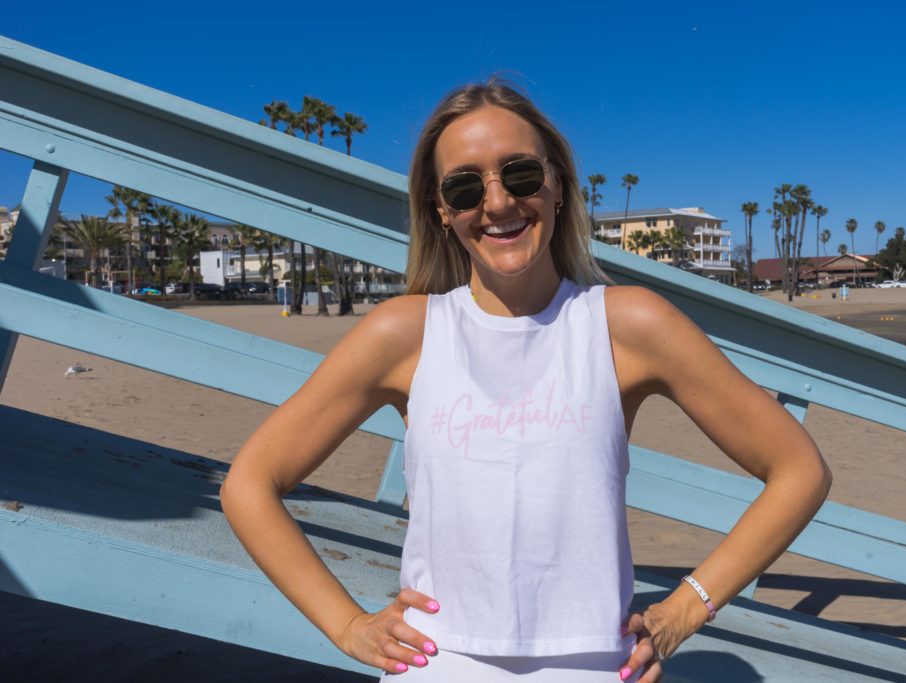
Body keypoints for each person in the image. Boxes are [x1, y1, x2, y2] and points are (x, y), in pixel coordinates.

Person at [221, 78, 832, 682]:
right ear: (441, 210)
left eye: (519, 174)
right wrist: (347, 625)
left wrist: (685, 607)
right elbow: (249, 485)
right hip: (437, 664)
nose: (498, 203)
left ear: (557, 184)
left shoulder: (628, 324)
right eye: (465, 186)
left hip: (594, 665)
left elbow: (799, 470)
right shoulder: (405, 333)